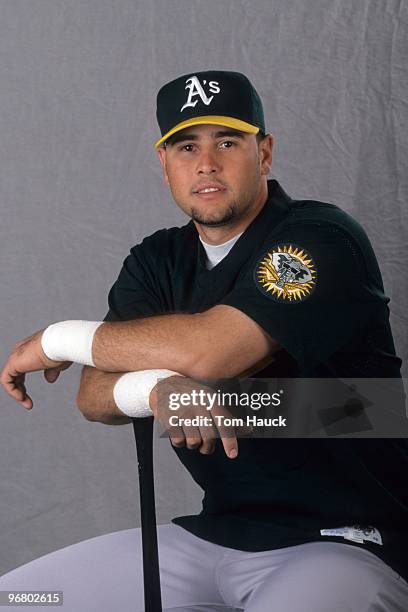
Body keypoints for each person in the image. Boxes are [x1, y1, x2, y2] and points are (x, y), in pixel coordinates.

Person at [1, 70, 408, 611]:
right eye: (186, 146)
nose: (206, 163)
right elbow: (94, 395)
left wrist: (58, 338)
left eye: (228, 142)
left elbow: (213, 352)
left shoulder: (321, 238)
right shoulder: (156, 259)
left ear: (264, 153)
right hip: (217, 535)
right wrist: (158, 391)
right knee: (26, 598)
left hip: (344, 540)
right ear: (164, 164)